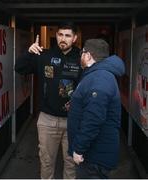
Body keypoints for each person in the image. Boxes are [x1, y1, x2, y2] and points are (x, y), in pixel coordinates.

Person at [15, 22, 81, 179]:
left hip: (73, 121)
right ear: (56, 35)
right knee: (46, 162)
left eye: (67, 35)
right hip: (47, 120)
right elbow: (19, 68)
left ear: (74, 38)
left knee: (71, 164)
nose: (63, 39)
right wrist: (29, 53)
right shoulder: (44, 55)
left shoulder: (81, 58)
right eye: (60, 35)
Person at [67, 39, 125, 179]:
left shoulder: (100, 78)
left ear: (88, 55)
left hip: (94, 158)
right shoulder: (97, 74)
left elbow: (93, 119)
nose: (81, 56)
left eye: (82, 53)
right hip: (94, 154)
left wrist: (79, 149)